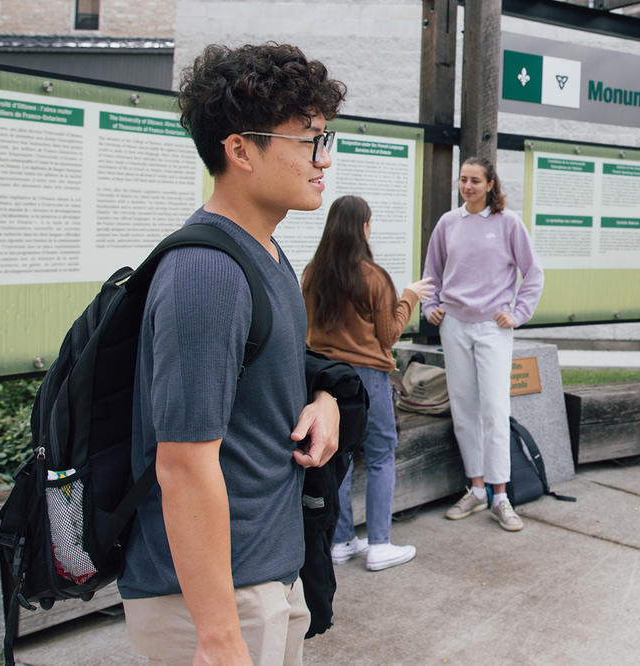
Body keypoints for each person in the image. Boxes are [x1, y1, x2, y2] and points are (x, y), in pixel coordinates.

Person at [118, 43, 346, 665]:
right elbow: (183, 466)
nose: (323, 159)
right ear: (240, 149)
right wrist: (218, 636)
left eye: (326, 139)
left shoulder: (265, 252)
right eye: (307, 141)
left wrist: (323, 400)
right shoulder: (207, 273)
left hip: (265, 574)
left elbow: (268, 381)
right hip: (216, 602)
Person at [302, 195, 433, 571]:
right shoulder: (372, 277)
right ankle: (379, 543)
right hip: (368, 379)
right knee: (379, 456)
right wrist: (409, 297)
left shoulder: (313, 272)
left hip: (327, 381)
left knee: (338, 458)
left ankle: (341, 541)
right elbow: (389, 335)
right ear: (363, 227)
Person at [422, 156, 543, 532]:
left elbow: (533, 273)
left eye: (475, 180)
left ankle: (501, 496)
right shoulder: (448, 223)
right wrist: (430, 306)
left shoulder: (508, 223)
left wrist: (518, 312)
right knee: (464, 409)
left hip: (492, 327)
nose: (468, 186)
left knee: (494, 408)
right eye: (463, 180)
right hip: (455, 325)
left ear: (490, 184)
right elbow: (432, 274)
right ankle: (476, 489)